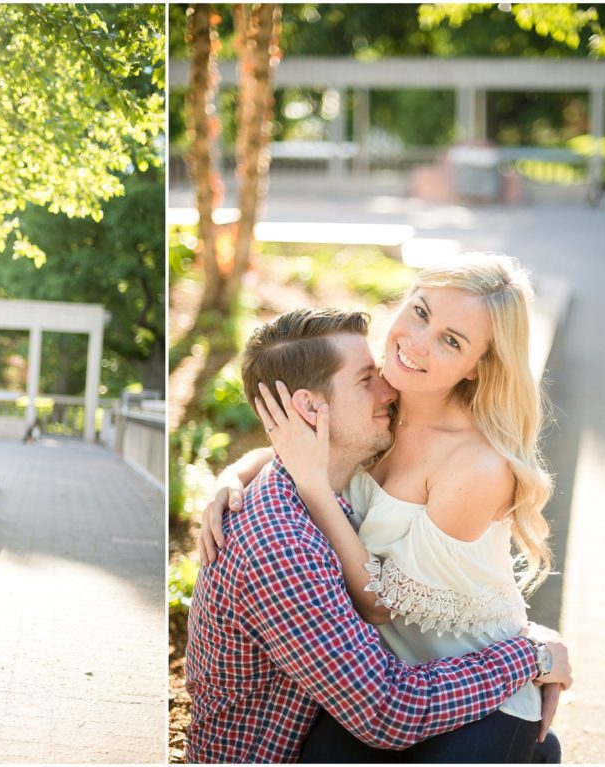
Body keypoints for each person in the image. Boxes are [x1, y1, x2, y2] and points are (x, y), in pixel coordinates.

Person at [185, 303, 571, 764]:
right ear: (309, 409)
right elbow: (388, 710)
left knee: (533, 746)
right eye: (366, 379)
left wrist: (233, 472)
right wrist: (532, 657)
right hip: (292, 749)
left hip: (347, 720)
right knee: (529, 749)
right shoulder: (283, 544)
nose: (388, 388)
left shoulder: (330, 475)